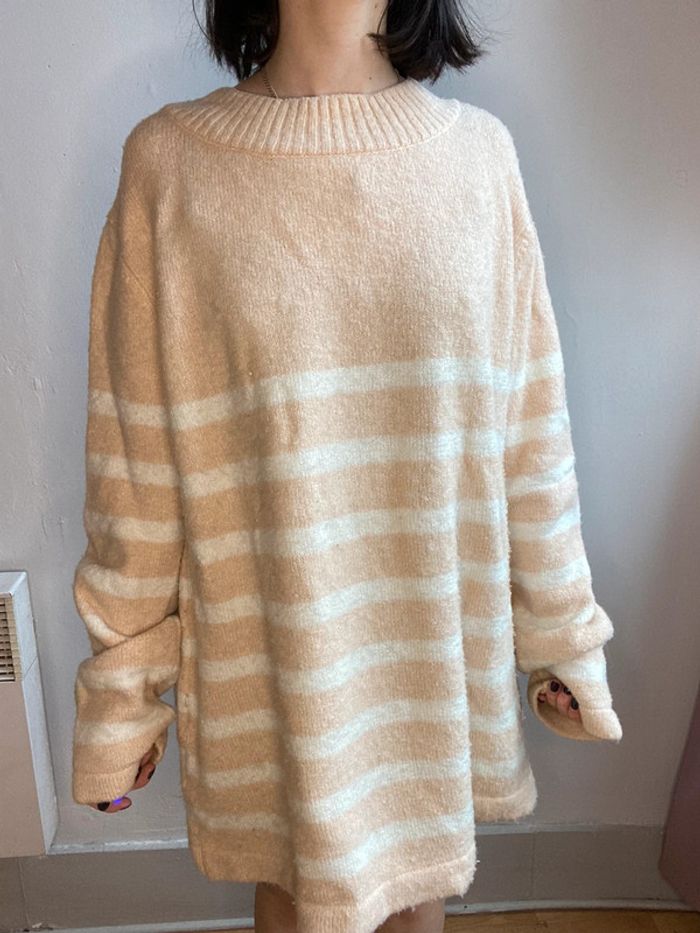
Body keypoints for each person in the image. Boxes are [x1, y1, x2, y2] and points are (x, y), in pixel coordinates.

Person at [70, 2, 622, 932]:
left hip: (428, 660)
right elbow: (134, 462)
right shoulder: (170, 166)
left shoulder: (477, 160)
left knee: (418, 891)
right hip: (270, 669)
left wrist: (561, 630)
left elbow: (530, 427)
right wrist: (121, 693)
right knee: (292, 887)